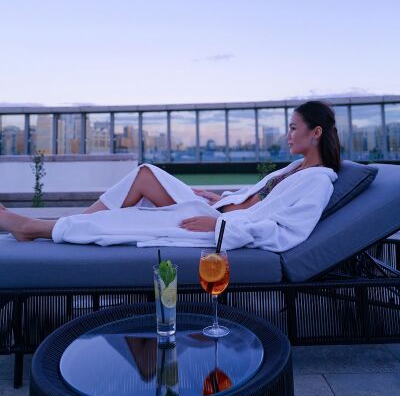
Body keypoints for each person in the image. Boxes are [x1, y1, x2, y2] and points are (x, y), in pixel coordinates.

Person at [0, 101, 341, 252]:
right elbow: (256, 199)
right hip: (216, 211)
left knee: (128, 221)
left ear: (316, 133)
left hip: (222, 227)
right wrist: (221, 200)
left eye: (293, 128)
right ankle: (64, 226)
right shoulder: (296, 169)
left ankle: (35, 227)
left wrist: (220, 226)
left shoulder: (318, 182)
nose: (288, 135)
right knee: (146, 173)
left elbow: (286, 233)